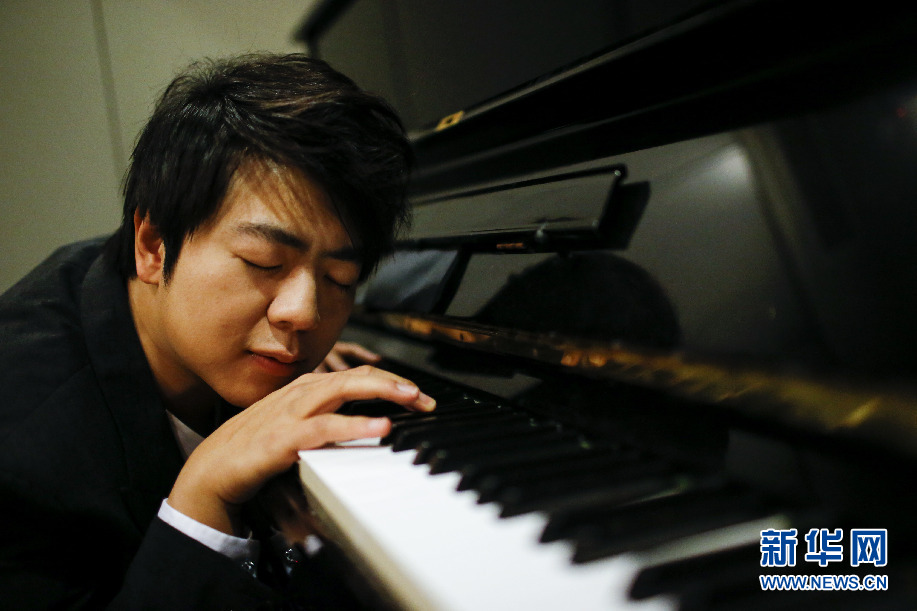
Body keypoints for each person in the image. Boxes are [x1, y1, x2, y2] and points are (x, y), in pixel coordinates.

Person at [0, 53, 434, 609]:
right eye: (263, 262)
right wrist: (201, 501)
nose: (303, 313)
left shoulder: (182, 316)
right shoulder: (18, 449)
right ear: (152, 246)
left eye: (339, 279)